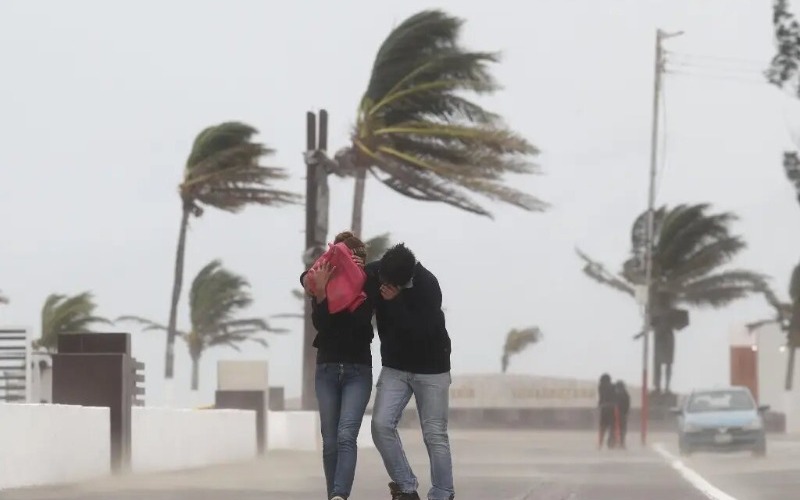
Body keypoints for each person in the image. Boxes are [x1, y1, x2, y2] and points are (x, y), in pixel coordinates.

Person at [366, 243, 454, 500]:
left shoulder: (428, 285)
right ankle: (406, 487)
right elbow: (352, 274)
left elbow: (420, 334)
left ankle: (442, 492)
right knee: (381, 424)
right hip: (395, 367)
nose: (381, 283)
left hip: (432, 369)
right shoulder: (380, 272)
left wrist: (395, 302)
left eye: (389, 284)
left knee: (434, 433)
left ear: (403, 281)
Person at [302, 231, 374, 500]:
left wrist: (348, 292)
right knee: (330, 440)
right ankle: (334, 494)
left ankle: (340, 495)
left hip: (358, 369)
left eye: (359, 261)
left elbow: (359, 326)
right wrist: (321, 293)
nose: (355, 266)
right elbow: (322, 326)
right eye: (349, 260)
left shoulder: (367, 288)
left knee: (346, 435)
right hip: (327, 369)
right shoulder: (323, 284)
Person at [597, 373, 617, 449]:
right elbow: (615, 397)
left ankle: (600, 442)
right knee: (612, 427)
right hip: (612, 409)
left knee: (603, 427)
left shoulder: (600, 387)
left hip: (604, 409)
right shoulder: (613, 387)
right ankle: (611, 443)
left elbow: (601, 398)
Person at [613, 380, 630, 450]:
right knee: (622, 428)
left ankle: (618, 442)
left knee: (618, 428)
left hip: (619, 414)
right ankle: (620, 442)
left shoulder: (616, 394)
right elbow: (627, 405)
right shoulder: (626, 395)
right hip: (622, 414)